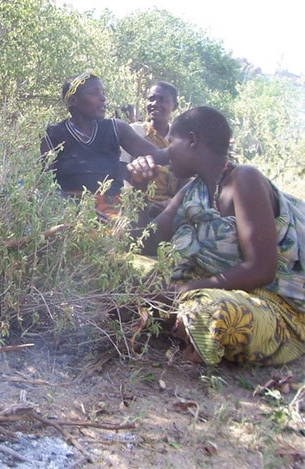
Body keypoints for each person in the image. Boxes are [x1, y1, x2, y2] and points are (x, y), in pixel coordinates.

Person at [129, 106, 305, 366]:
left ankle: (184, 323)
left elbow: (261, 269)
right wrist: (139, 189)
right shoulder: (192, 191)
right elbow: (144, 244)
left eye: (171, 144)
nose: (166, 154)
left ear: (192, 140)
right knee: (125, 268)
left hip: (274, 304)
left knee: (208, 311)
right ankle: (174, 317)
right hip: (210, 287)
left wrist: (183, 291)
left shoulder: (245, 179)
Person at [40, 70, 169, 215]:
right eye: (95, 93)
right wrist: (77, 210)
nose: (103, 98)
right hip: (72, 212)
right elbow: (47, 185)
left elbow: (157, 155)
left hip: (114, 211)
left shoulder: (116, 128)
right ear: (73, 100)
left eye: (103, 93)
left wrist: (185, 147)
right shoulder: (53, 135)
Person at [120, 81, 187, 217]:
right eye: (151, 99)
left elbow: (184, 180)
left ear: (174, 106)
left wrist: (171, 204)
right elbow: (122, 175)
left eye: (162, 100)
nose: (155, 104)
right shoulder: (134, 131)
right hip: (135, 203)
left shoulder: (180, 138)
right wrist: (138, 203)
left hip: (169, 208)